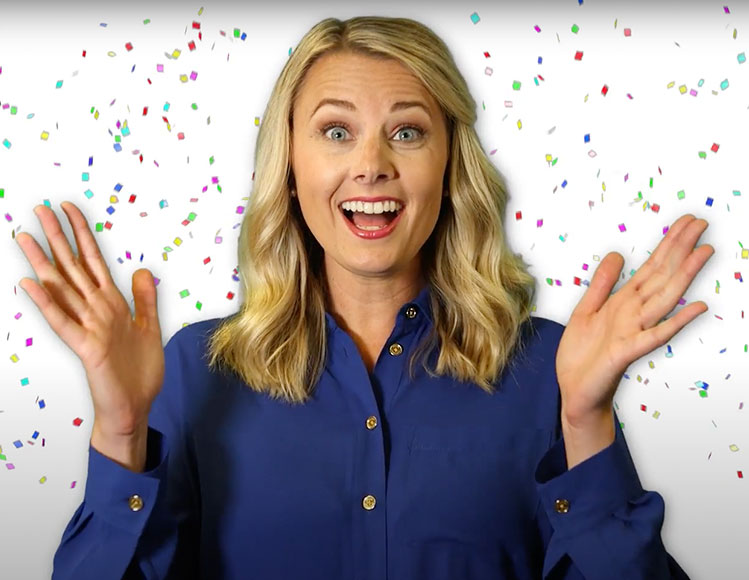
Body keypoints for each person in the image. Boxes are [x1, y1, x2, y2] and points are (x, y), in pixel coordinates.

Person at [14, 15, 712, 580]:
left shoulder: (552, 371)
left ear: (449, 168)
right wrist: (120, 430)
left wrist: (585, 422)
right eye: (335, 131)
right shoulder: (196, 370)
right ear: (289, 167)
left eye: (406, 131)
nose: (371, 163)